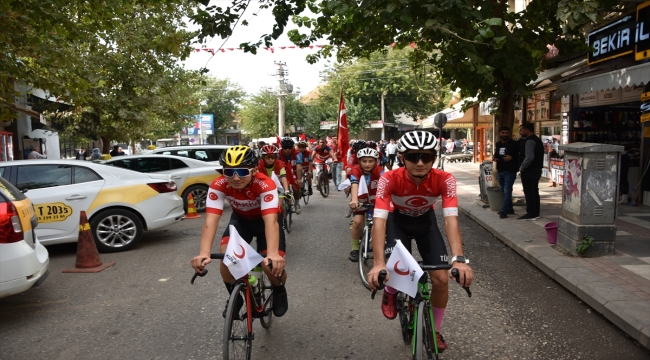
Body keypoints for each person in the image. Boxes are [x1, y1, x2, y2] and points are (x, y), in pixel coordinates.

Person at [367, 131, 473, 352]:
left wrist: (459, 259)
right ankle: (392, 291)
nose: (420, 162)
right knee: (396, 269)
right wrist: (378, 264)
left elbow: (451, 220)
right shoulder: (389, 178)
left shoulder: (445, 179)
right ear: (402, 158)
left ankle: (434, 329)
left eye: (426, 156)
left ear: (434, 158)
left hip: (426, 222)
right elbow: (379, 221)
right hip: (398, 221)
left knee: (441, 278)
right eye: (413, 156)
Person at [191, 145, 288, 318]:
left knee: (269, 265)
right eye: (229, 172)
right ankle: (236, 297)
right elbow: (211, 220)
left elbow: (270, 220)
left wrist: (273, 254)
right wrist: (203, 253)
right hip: (241, 221)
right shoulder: (218, 184)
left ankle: (279, 289)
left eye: (242, 172)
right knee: (227, 257)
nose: (235, 178)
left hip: (265, 221)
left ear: (254, 170)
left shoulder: (265, 184)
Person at [348, 147, 384, 262]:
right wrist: (354, 200)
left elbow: (386, 184)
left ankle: (380, 243)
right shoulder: (355, 170)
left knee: (380, 223)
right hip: (360, 201)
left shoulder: (379, 170)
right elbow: (354, 184)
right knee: (357, 222)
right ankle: (355, 248)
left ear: (376, 161)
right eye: (364, 161)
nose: (367, 164)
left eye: (370, 161)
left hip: (376, 201)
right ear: (359, 161)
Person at [259, 144, 297, 219]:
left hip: (279, 187)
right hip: (266, 187)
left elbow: (283, 177)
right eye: (267, 157)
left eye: (272, 157)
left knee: (279, 207)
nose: (270, 159)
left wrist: (286, 190)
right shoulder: (259, 165)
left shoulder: (280, 164)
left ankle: (282, 219)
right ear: (263, 157)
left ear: (276, 157)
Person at [518, 122, 544, 220]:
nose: (520, 133)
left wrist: (522, 167)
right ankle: (536, 212)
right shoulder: (537, 140)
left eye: (521, 130)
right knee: (534, 191)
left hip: (529, 170)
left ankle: (531, 213)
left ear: (527, 130)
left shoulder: (529, 141)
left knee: (529, 192)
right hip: (537, 169)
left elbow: (529, 157)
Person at [492, 126, 519, 219]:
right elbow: (497, 154)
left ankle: (503, 210)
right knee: (503, 190)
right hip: (501, 170)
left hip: (510, 170)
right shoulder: (498, 144)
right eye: (503, 133)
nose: (505, 135)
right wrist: (495, 158)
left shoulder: (514, 144)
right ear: (499, 133)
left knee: (507, 190)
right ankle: (510, 208)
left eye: (507, 133)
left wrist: (512, 158)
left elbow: (520, 155)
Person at [278, 137, 303, 214]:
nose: (287, 150)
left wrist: (299, 179)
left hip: (294, 172)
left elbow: (299, 167)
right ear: (282, 147)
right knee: (284, 188)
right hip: (283, 172)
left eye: (290, 147)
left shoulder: (297, 154)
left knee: (295, 187)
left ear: (293, 147)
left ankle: (296, 203)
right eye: (285, 148)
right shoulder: (278, 154)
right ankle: (285, 204)